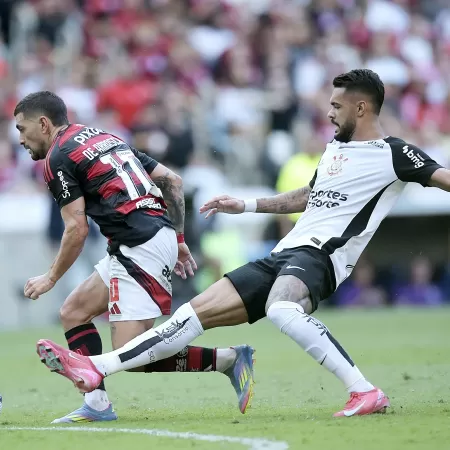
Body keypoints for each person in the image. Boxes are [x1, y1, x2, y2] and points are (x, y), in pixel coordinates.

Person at [36, 69, 450, 417]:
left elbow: (442, 177)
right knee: (189, 316)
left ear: (361, 108)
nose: (328, 113)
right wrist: (246, 205)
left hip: (323, 256)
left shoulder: (395, 153)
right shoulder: (335, 150)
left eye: (336, 106)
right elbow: (309, 196)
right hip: (284, 252)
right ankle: (96, 367)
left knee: (282, 308)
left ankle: (364, 390)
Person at [15, 91, 255, 423]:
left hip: (140, 244)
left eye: (22, 129)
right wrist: (178, 238)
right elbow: (172, 180)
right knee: (74, 312)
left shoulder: (57, 158)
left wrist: (50, 277)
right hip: (143, 238)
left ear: (43, 124)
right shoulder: (102, 137)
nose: (20, 139)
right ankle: (97, 404)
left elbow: (76, 229)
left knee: (133, 352)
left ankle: (228, 359)